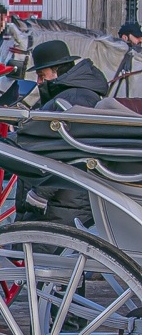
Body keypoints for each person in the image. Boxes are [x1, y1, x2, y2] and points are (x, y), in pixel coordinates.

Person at [15, 39, 109, 231]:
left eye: (42, 75)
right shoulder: (72, 95)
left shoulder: (73, 99)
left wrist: (41, 192)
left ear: (57, 70)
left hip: (63, 202)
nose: (39, 82)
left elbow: (70, 147)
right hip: (64, 200)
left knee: (43, 255)